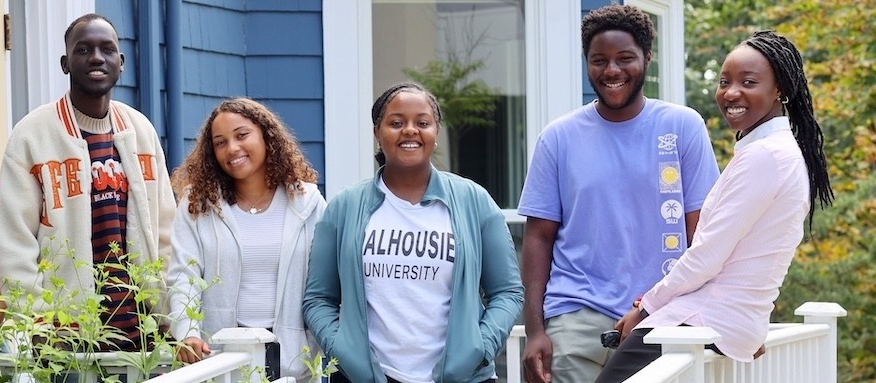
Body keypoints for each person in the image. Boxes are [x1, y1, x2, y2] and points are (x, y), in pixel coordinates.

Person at [595, 30, 835, 382]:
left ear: (779, 89)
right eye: (725, 81)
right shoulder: (771, 151)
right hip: (723, 322)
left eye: (748, 82)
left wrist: (645, 309)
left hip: (703, 321)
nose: (731, 93)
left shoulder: (767, 156)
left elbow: (706, 258)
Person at [516, 5, 722, 383]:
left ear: (647, 57)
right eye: (599, 60)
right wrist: (535, 330)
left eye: (625, 58)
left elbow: (705, 236)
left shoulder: (683, 127)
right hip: (575, 319)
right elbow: (538, 238)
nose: (612, 71)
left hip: (660, 317)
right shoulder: (558, 137)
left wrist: (724, 314)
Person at [302, 82, 522, 383]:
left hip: (462, 377)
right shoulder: (344, 207)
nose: (409, 130)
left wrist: (479, 348)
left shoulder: (474, 201)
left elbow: (507, 292)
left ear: (436, 132)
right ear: (377, 132)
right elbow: (318, 299)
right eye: (396, 123)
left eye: (422, 122)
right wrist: (343, 351)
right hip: (366, 377)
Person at [0, 13, 175, 353]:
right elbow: (14, 240)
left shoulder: (141, 131)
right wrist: (39, 323)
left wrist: (168, 312)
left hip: (143, 332)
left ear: (121, 62)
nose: (96, 57)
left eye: (107, 49)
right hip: (67, 338)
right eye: (84, 49)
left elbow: (165, 228)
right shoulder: (32, 135)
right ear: (65, 63)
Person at [168, 98, 325, 382]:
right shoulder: (197, 204)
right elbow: (183, 277)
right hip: (218, 362)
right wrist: (187, 332)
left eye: (242, 135)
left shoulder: (307, 201)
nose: (232, 148)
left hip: (293, 364)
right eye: (220, 142)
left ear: (266, 136)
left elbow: (324, 285)